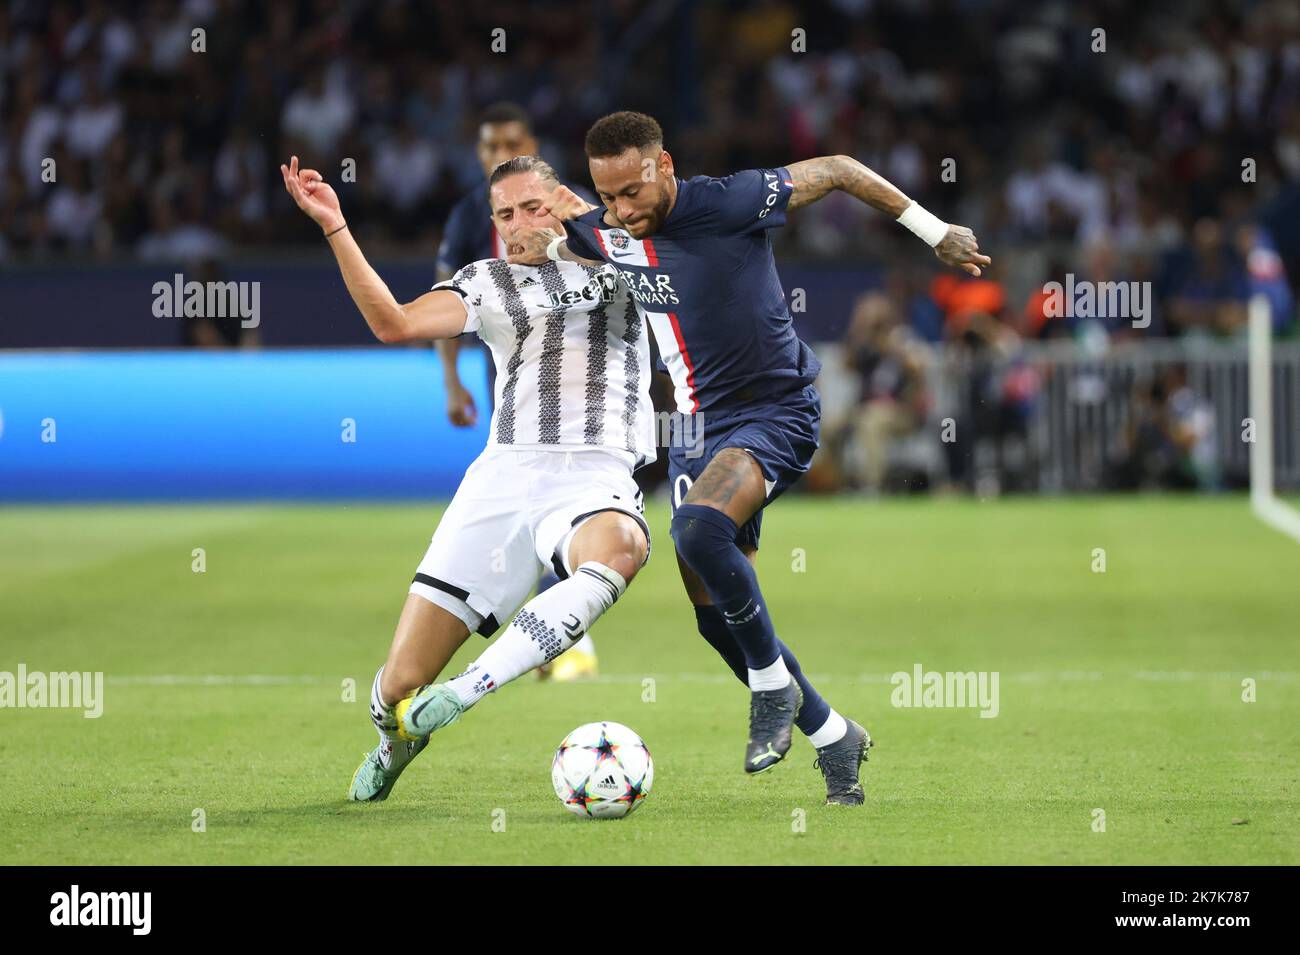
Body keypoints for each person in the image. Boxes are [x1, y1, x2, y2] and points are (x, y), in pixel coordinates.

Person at [508, 111, 989, 805]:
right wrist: (538, 241)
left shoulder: (729, 201)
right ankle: (832, 736)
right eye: (607, 196)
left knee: (696, 529)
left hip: (776, 411)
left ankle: (770, 690)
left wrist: (933, 229)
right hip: (699, 432)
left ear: (664, 166)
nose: (621, 210)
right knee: (717, 617)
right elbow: (566, 231)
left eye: (633, 192)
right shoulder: (607, 230)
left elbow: (840, 169)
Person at [280, 153, 654, 802]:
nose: (518, 224)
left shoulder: (628, 263)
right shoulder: (485, 281)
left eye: (533, 206)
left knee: (622, 545)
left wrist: (588, 225)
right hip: (504, 479)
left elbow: (690, 283)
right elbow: (392, 323)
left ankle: (469, 688)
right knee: (396, 689)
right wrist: (335, 225)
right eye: (504, 214)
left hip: (595, 472)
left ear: (562, 200)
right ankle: (397, 741)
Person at [436, 102, 600, 681]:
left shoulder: (576, 203)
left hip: (589, 382)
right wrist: (453, 381)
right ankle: (539, 629)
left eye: (510, 142)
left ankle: (563, 636)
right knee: (530, 503)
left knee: (574, 508)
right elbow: (446, 302)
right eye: (488, 146)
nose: (498, 154)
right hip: (509, 376)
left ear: (531, 142)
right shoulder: (466, 216)